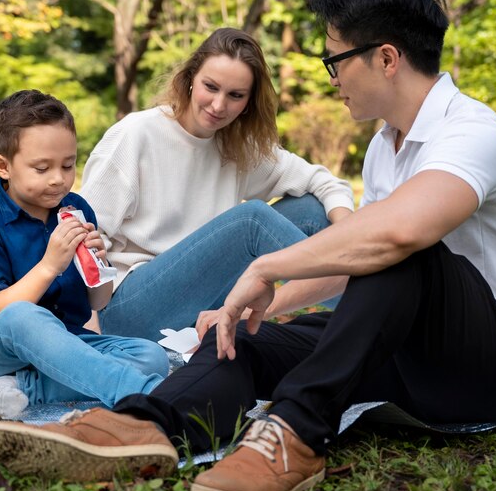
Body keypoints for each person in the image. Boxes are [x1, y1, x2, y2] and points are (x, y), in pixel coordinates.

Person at [0, 0, 496, 491]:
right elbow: (352, 263)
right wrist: (255, 303)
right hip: (401, 355)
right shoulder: (386, 147)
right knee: (239, 337)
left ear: (385, 58)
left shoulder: (472, 131)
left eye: (335, 61)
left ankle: (294, 435)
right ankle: (145, 428)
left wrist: (264, 268)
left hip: (489, 367)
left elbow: (397, 239)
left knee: (400, 247)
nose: (332, 78)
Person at [79, 27, 355, 340]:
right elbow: (82, 235)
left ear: (248, 102)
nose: (219, 105)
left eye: (235, 95)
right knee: (251, 219)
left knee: (311, 208)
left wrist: (347, 234)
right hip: (129, 309)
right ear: (190, 78)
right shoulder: (135, 135)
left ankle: (368, 289)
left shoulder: (236, 147)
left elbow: (326, 182)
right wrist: (89, 330)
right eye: (210, 87)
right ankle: (370, 291)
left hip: (205, 300)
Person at [0, 90, 170, 419]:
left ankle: (25, 389)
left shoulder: (77, 209)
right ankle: (145, 394)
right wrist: (50, 265)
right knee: (26, 316)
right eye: (42, 168)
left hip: (64, 342)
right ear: (3, 166)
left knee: (151, 356)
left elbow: (98, 302)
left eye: (68, 165)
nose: (58, 179)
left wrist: (99, 264)